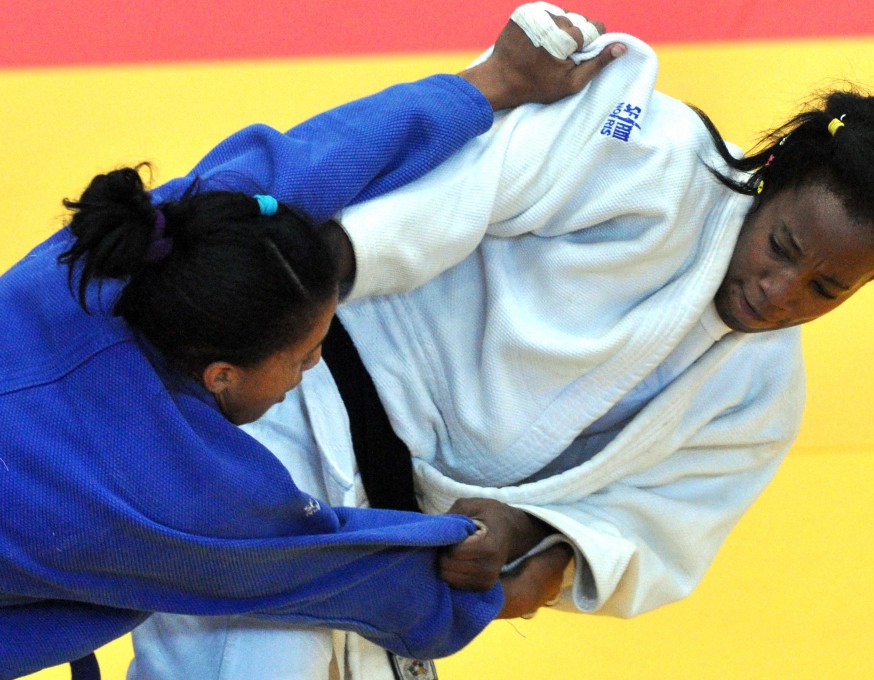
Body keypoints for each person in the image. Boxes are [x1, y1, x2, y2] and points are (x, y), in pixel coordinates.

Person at [131, 12, 874, 680]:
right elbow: (476, 182)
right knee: (247, 661)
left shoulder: (758, 396)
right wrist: (304, 277)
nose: (779, 293)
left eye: (826, 290)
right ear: (770, 183)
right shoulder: (653, 158)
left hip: (408, 543)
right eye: (782, 248)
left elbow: (648, 532)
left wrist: (531, 543)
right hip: (304, 393)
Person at [0, 11, 623, 679]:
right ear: (221, 375)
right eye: (301, 358)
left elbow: (296, 165)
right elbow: (339, 569)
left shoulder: (111, 257)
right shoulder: (187, 499)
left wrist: (492, 81)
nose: (315, 366)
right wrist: (528, 570)